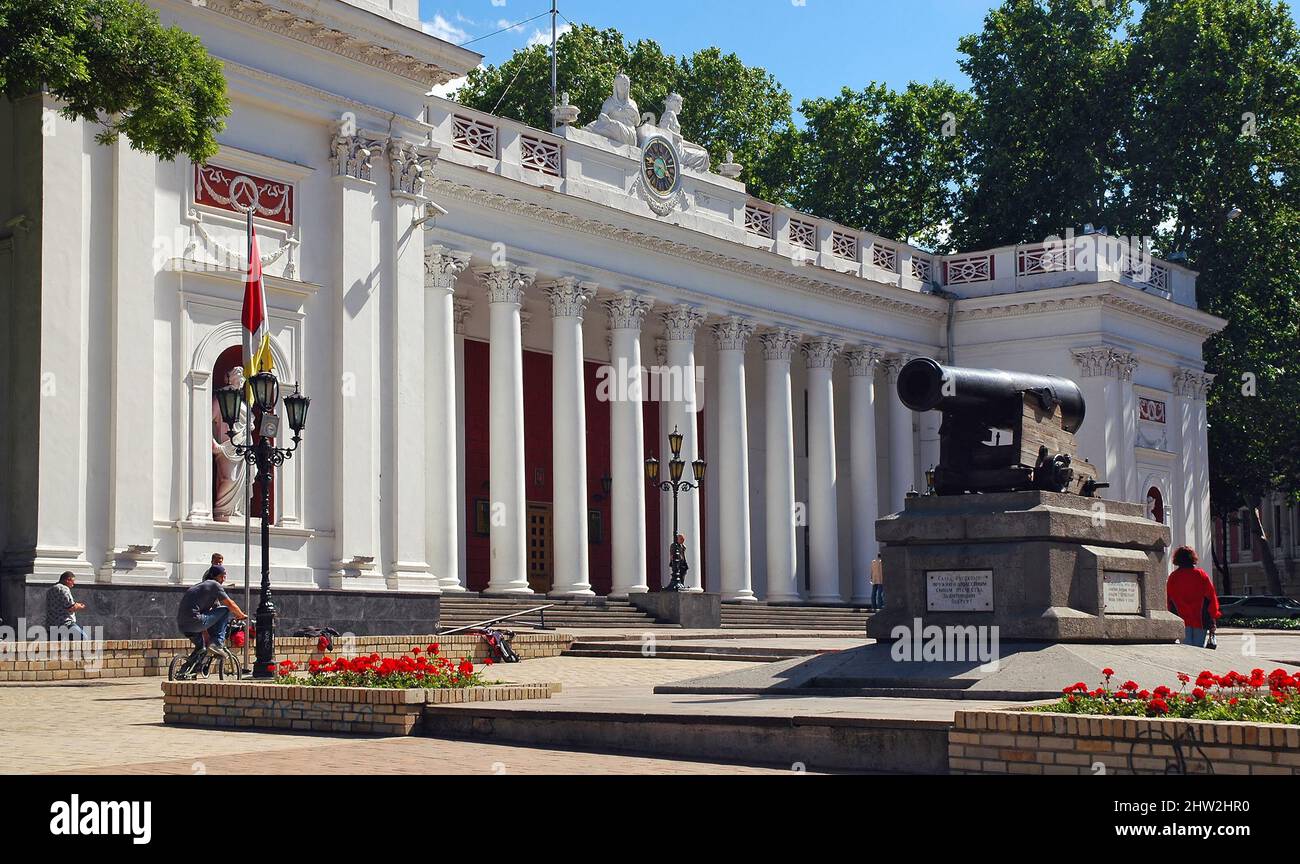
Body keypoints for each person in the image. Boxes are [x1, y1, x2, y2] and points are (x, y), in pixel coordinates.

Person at [177, 566, 247, 656]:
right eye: (222, 576)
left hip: (182, 625)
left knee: (201, 649)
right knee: (225, 610)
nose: (224, 579)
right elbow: (230, 604)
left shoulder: (200, 586)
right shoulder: (214, 585)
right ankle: (217, 643)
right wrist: (241, 615)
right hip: (195, 622)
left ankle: (191, 667)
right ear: (215, 576)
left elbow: (214, 609)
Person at [1166, 546, 1220, 648]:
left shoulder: (1173, 577)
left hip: (1181, 620)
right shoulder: (1201, 575)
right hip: (1200, 620)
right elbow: (1211, 598)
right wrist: (1212, 620)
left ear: (1177, 559)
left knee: (1186, 650)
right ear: (1193, 558)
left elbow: (1168, 600)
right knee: (1198, 649)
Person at [45, 572, 89, 640]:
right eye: (72, 581)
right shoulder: (64, 588)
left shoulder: (50, 590)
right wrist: (80, 606)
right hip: (65, 623)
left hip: (51, 624)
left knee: (55, 648)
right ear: (68, 580)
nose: (73, 584)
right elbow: (71, 606)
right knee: (83, 639)